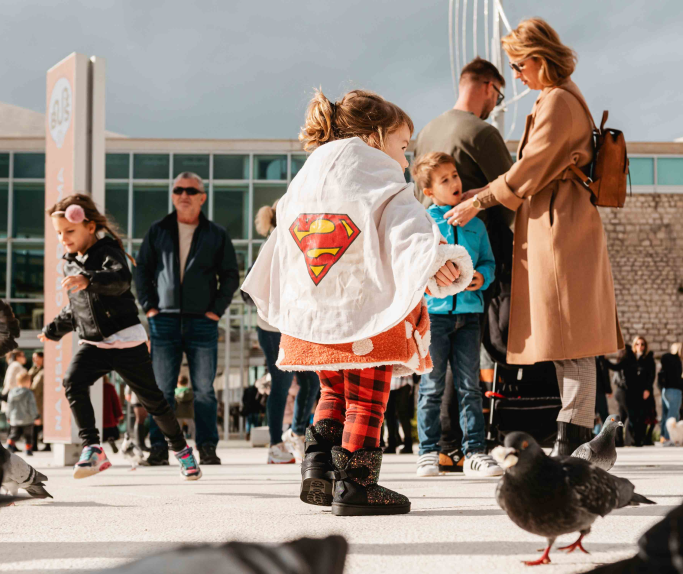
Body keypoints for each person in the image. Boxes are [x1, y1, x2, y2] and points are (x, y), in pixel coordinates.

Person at [241, 88, 471, 516]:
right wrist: (439, 259)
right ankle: (358, 486)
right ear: (376, 135)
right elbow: (407, 230)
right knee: (366, 399)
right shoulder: (377, 176)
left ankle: (319, 468)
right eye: (402, 146)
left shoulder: (308, 177)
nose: (404, 160)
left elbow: (285, 240)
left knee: (332, 389)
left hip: (314, 314)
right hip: (365, 312)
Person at [444, 17, 623, 456]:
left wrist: (479, 201)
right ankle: (573, 437)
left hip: (562, 228)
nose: (517, 75)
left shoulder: (559, 100)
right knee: (567, 336)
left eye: (520, 65)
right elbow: (530, 169)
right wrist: (482, 191)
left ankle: (572, 437)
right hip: (556, 223)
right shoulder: (557, 97)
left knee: (574, 336)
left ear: (540, 60)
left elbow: (531, 167)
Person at [41, 194, 201, 481]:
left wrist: (89, 279)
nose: (64, 238)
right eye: (59, 233)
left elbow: (120, 279)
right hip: (93, 343)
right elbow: (77, 308)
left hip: (126, 340)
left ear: (89, 226)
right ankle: (92, 447)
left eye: (69, 231)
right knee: (72, 382)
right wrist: (53, 329)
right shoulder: (69, 264)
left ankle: (182, 452)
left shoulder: (107, 250)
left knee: (153, 402)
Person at [415, 58, 513, 469]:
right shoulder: (482, 131)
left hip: (452, 283)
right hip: (463, 279)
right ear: (488, 87)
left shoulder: (426, 133)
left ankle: (450, 446)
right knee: (468, 365)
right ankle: (459, 445)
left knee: (449, 374)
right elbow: (515, 191)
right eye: (499, 95)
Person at [134, 171, 239, 467]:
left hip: (202, 321)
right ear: (172, 195)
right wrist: (150, 307)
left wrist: (216, 310)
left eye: (190, 191)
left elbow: (230, 275)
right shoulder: (158, 231)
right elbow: (142, 270)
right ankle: (158, 448)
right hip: (163, 319)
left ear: (202, 197)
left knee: (204, 390)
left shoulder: (216, 234)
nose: (184, 195)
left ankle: (206, 448)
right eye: (178, 190)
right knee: (161, 389)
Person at [411, 152, 500, 478]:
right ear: (430, 192)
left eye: (455, 175)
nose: (455, 182)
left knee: (470, 388)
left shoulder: (477, 224)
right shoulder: (424, 224)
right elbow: (415, 270)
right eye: (444, 179)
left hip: (470, 316)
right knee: (431, 387)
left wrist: (483, 278)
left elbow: (489, 263)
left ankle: (475, 453)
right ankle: (427, 453)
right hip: (434, 318)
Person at [251, 201, 323, 465]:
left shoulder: (304, 238)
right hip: (273, 327)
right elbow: (251, 285)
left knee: (311, 382)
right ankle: (274, 445)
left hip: (299, 325)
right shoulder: (274, 241)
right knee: (281, 385)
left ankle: (295, 432)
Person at [605, 338, 655, 446]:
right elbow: (616, 367)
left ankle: (619, 441)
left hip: (634, 392)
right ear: (634, 345)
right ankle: (633, 441)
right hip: (624, 391)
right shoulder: (629, 357)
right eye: (637, 344)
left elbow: (651, 375)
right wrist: (603, 359)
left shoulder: (646, 358)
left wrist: (647, 389)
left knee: (622, 416)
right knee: (632, 416)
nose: (640, 346)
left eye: (642, 344)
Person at [657, 342, 683, 446]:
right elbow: (679, 378)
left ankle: (663, 437)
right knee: (673, 416)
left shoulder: (666, 360)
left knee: (665, 415)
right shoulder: (677, 361)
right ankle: (669, 437)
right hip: (675, 391)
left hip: (665, 390)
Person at [5, 371, 38, 456]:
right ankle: (28, 450)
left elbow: (9, 406)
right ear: (28, 382)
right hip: (27, 419)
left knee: (14, 434)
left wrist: (8, 416)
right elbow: (32, 406)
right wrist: (36, 416)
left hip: (15, 419)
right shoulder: (29, 393)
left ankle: (9, 445)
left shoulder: (11, 392)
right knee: (28, 436)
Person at [383, 375, 416, 455]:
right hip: (389, 382)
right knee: (389, 414)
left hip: (404, 380)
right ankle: (391, 445)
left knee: (403, 413)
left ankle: (408, 445)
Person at [28, 351, 45, 451]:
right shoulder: (33, 369)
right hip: (35, 400)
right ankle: (34, 445)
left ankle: (46, 445)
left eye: (36, 358)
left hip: (41, 400)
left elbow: (36, 387)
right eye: (33, 358)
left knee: (41, 423)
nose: (34, 360)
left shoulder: (44, 370)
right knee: (35, 423)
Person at [102, 380, 123, 452]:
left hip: (96, 418)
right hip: (108, 418)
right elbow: (116, 402)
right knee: (110, 433)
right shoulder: (109, 387)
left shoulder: (89, 387)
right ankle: (111, 439)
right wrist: (119, 414)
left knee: (98, 435)